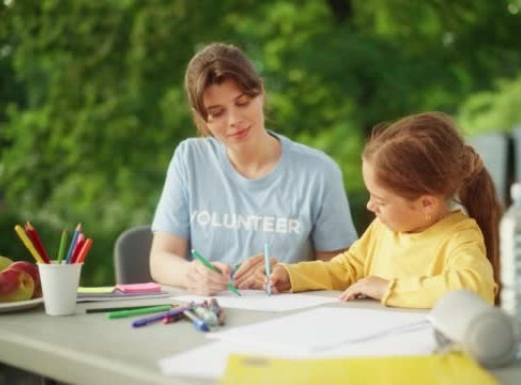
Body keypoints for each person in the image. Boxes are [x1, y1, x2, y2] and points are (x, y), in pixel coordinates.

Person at [149, 42, 357, 295]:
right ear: (201, 117)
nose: (234, 120)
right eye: (217, 112)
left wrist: (290, 275)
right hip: (211, 314)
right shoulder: (189, 159)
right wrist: (192, 274)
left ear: (261, 92)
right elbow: (161, 259)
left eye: (243, 102)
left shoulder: (319, 172)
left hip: (288, 321)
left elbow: (343, 270)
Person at [261, 112, 501, 308]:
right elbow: (346, 268)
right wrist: (293, 275)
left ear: (427, 203)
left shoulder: (459, 238)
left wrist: (387, 289)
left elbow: (474, 287)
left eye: (381, 201)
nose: (369, 206)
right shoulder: (382, 229)